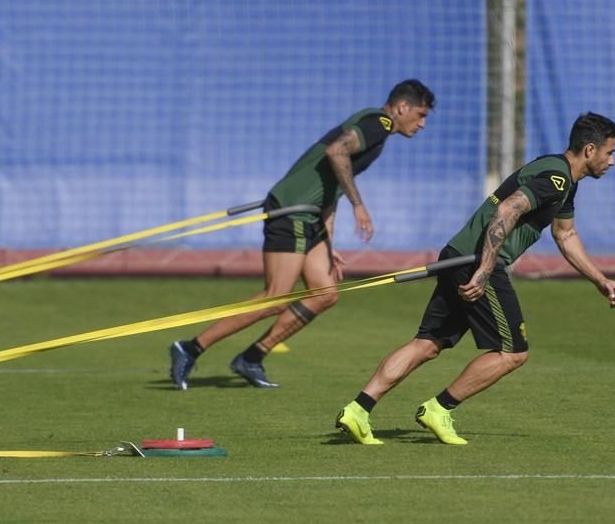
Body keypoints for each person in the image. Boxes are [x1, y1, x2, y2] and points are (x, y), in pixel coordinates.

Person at [335, 112, 615, 445]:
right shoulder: (556, 178)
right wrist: (485, 270)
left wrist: (599, 279)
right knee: (513, 352)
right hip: (478, 261)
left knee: (428, 344)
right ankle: (439, 409)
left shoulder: (564, 182)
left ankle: (358, 409)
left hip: (459, 256)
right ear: (590, 150)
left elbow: (566, 234)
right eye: (610, 152)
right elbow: (507, 210)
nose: (612, 161)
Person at [170, 79, 436, 389]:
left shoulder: (377, 129)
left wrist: (327, 240)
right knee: (275, 298)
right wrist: (359, 206)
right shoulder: (379, 122)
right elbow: (337, 153)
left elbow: (332, 182)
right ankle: (189, 348)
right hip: (292, 210)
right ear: (402, 107)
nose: (423, 124)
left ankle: (252, 358)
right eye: (420, 115)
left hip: (309, 216)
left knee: (324, 295)